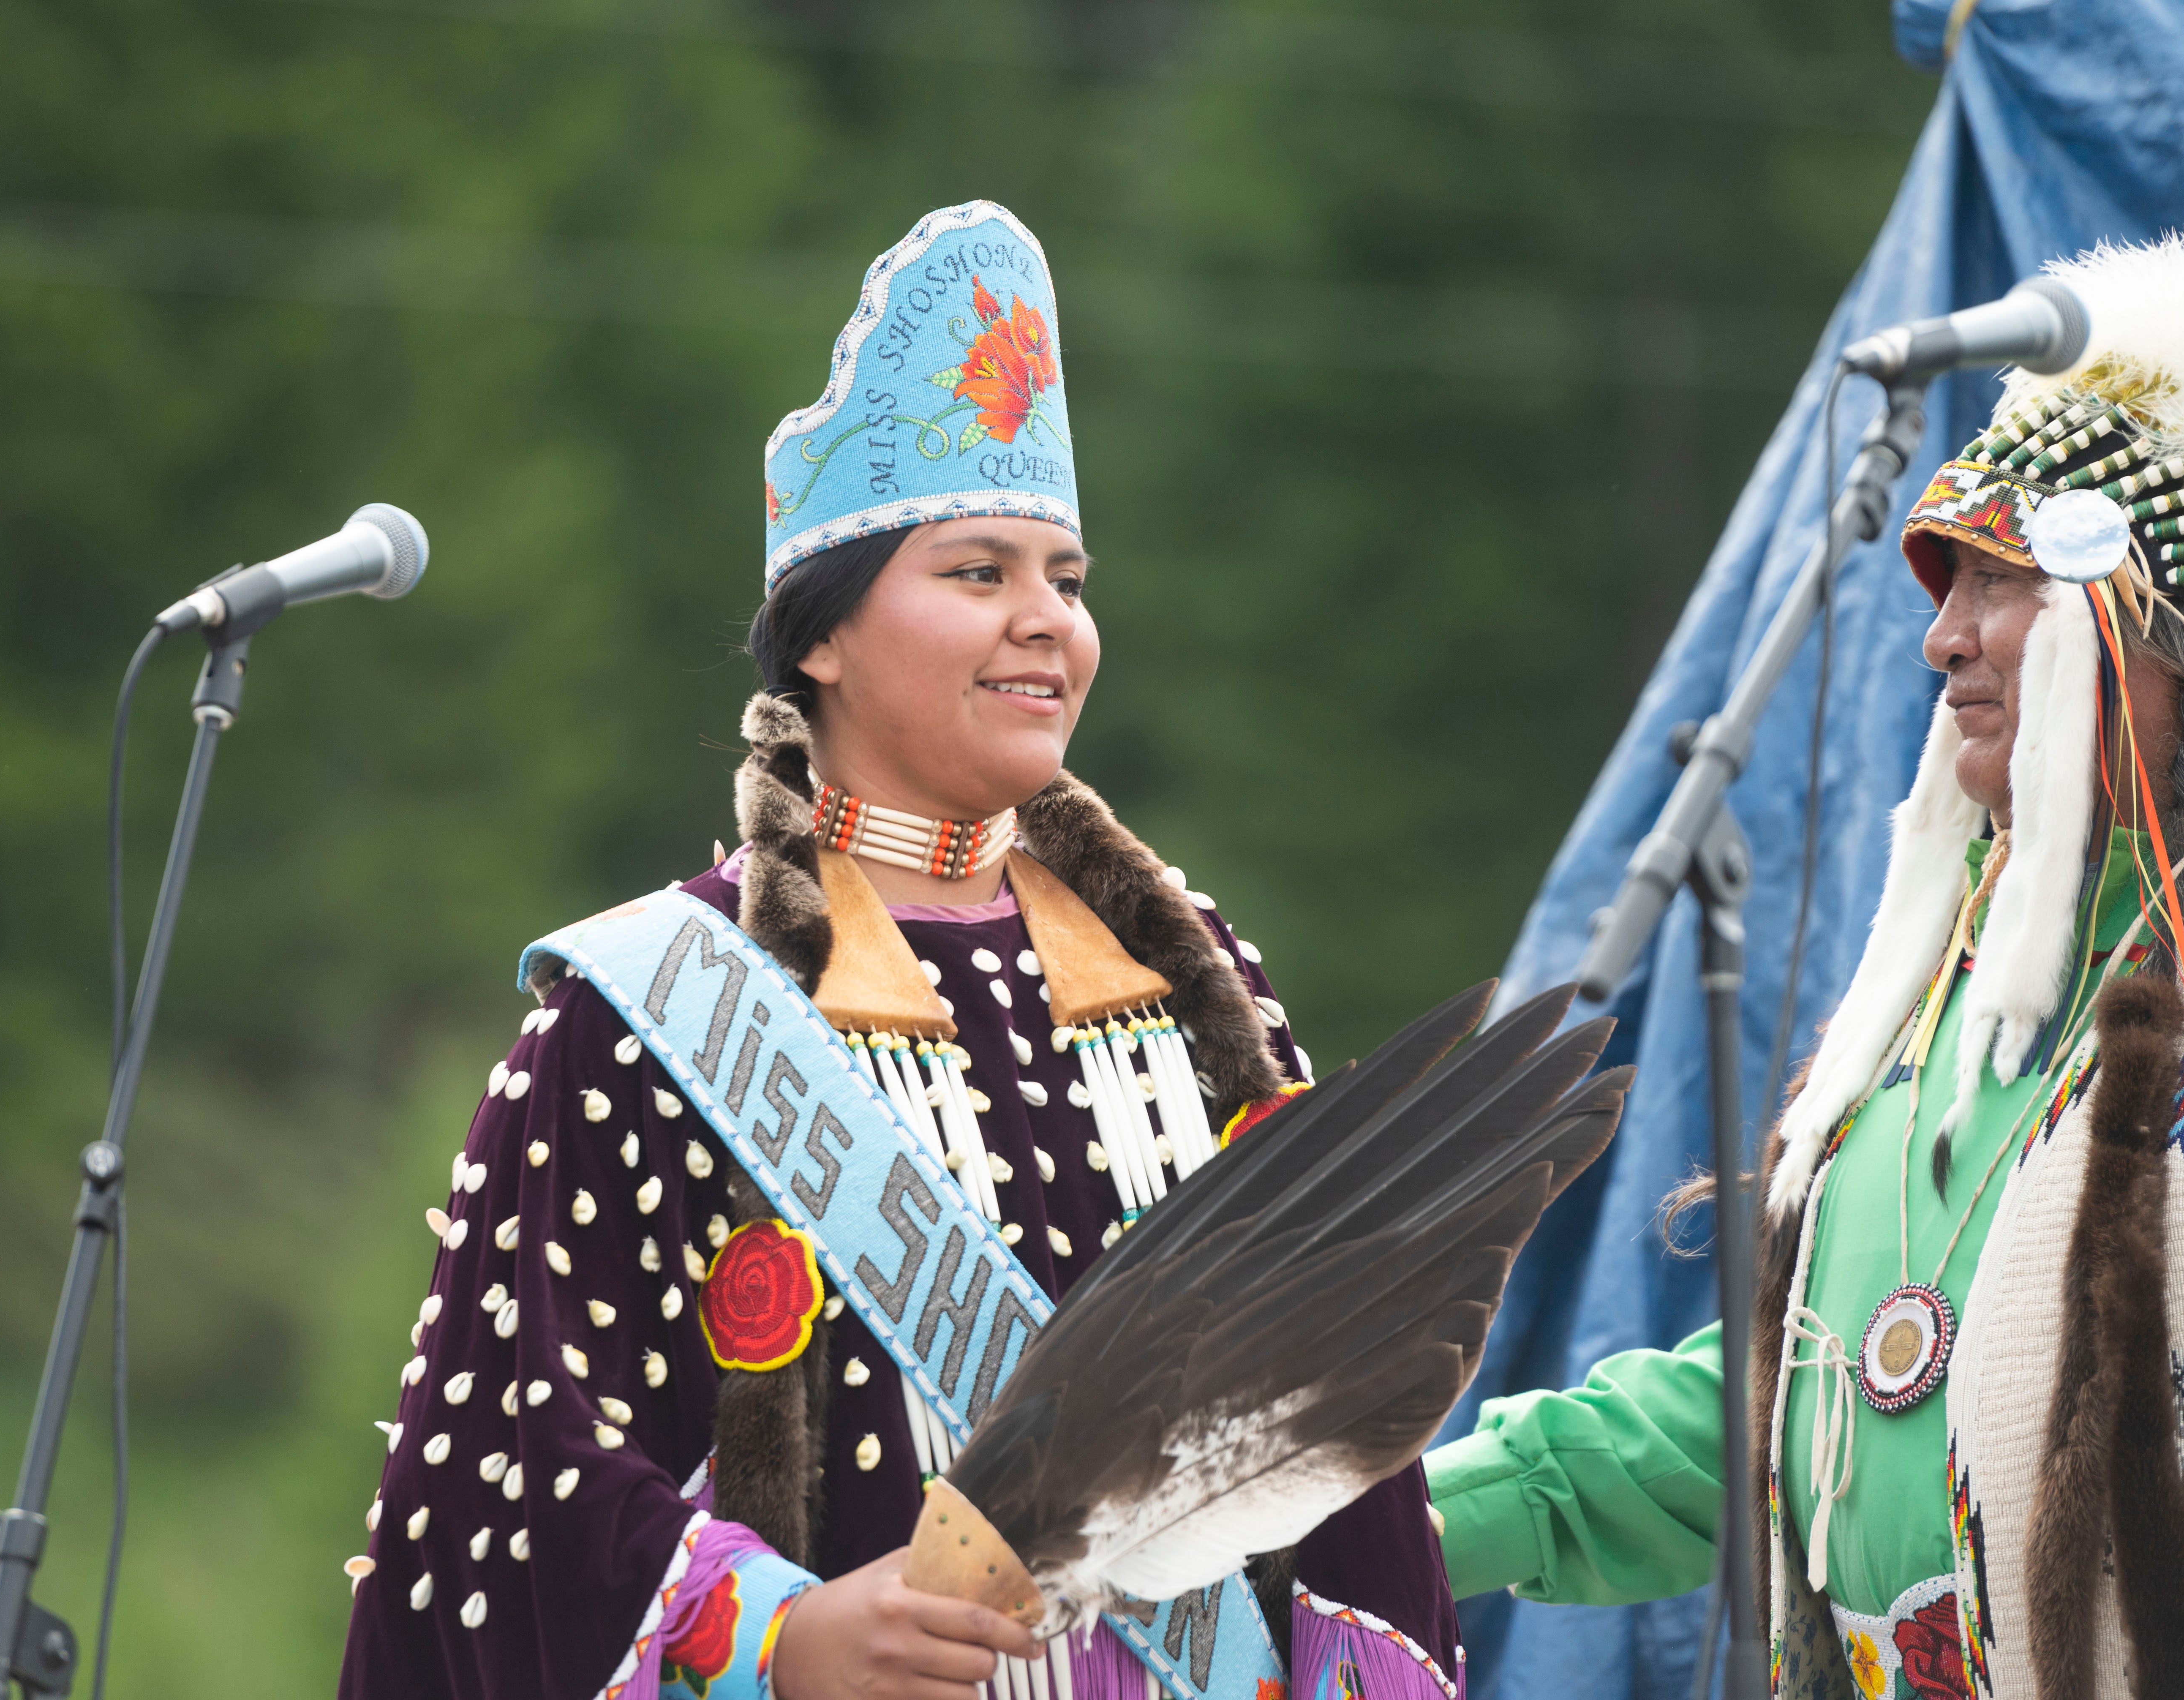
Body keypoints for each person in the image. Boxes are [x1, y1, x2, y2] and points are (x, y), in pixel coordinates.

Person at [338, 202, 1469, 1700]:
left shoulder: (1203, 996)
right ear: (820, 636)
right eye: (977, 572)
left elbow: (1340, 1447)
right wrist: (772, 1634)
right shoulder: (651, 1013)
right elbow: (491, 1485)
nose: (1046, 623)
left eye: (1065, 577)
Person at [1422, 231, 2184, 1697]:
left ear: (2161, 627)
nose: (1944, 640)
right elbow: (1790, 1405)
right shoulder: (1949, 1005)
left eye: (2000, 585)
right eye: (1943, 584)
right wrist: (1400, 1516)